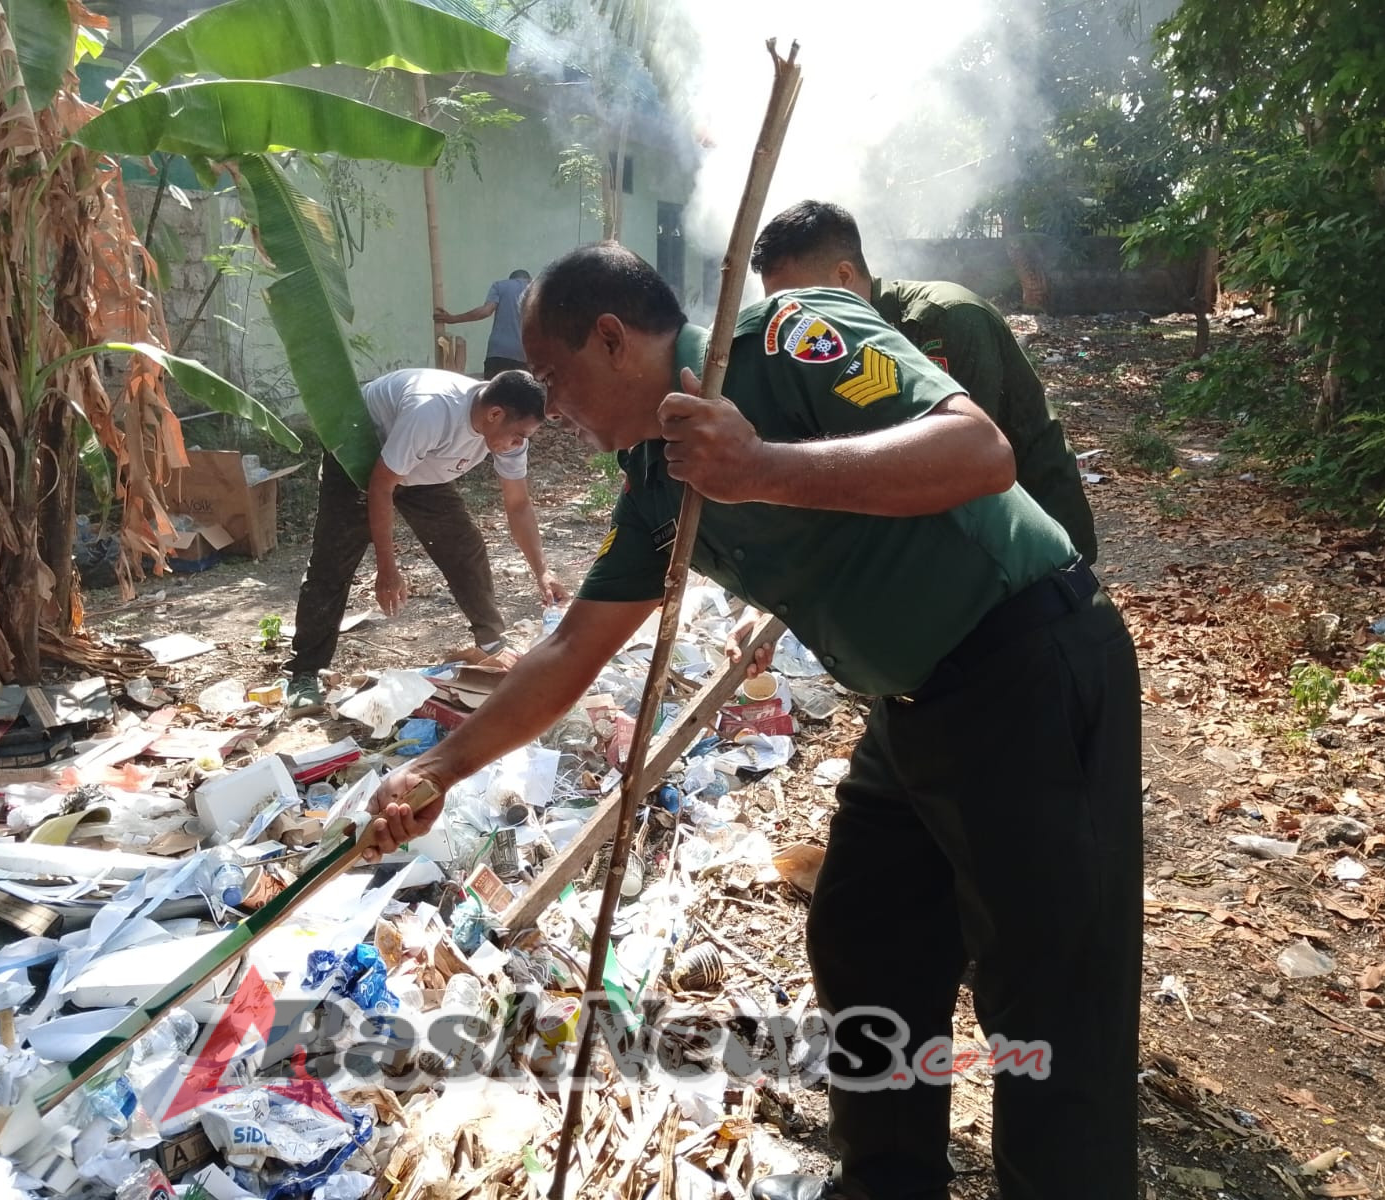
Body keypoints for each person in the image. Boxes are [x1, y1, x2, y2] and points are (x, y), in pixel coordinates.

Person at [367, 244, 1142, 1200]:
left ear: (613, 339)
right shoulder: (655, 483)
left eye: (559, 380)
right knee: (866, 938)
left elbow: (980, 453)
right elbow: (573, 650)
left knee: (1048, 996)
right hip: (911, 705)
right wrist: (437, 768)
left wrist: (762, 466)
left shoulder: (786, 338)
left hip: (1028, 663)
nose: (553, 409)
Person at [752, 200, 1098, 564]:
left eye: (797, 301)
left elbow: (962, 466)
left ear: (842, 276)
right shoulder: (845, 345)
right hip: (971, 554)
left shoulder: (944, 320)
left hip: (1038, 552)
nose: (791, 319)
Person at [283, 368, 568, 714]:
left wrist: (542, 570)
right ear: (494, 414)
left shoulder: (505, 427)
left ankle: (491, 640)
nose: (519, 445)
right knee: (332, 563)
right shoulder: (432, 411)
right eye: (519, 436)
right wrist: (387, 569)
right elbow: (382, 485)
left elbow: (518, 504)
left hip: (420, 466)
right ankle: (304, 673)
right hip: (361, 454)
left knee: (465, 547)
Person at [434, 268, 532, 379]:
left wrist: (453, 319)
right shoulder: (535, 290)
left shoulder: (500, 286)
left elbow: (485, 312)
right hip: (526, 355)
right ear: (528, 279)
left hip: (498, 352)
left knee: (494, 392)